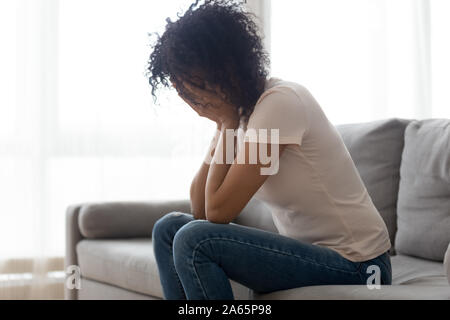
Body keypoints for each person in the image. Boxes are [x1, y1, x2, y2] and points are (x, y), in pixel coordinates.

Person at [147, 0, 392, 300]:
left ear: (225, 69)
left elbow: (218, 213)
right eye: (185, 89)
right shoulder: (241, 114)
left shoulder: (280, 102)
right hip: (313, 255)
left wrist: (224, 123)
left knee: (194, 240)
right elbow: (199, 208)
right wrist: (223, 124)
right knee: (169, 229)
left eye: (195, 85)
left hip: (361, 265)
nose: (194, 98)